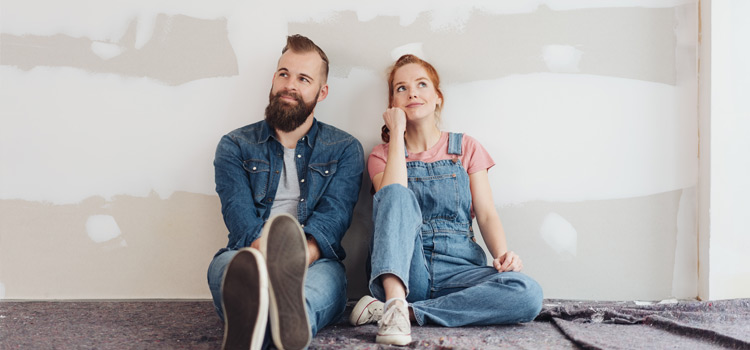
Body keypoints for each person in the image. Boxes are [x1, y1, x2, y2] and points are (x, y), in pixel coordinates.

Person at [349, 54, 543, 346]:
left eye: (421, 84)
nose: (412, 92)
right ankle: (396, 299)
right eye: (401, 88)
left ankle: (401, 313)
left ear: (438, 97)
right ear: (392, 104)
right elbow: (393, 198)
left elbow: (487, 214)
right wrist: (398, 134)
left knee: (528, 293)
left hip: (459, 270)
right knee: (396, 194)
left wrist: (502, 255)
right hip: (405, 271)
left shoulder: (466, 147)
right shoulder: (381, 155)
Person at [207, 34, 364, 350]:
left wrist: (293, 262)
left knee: (299, 308)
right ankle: (261, 312)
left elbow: (332, 222)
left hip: (315, 262)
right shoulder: (234, 145)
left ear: (322, 92)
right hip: (246, 258)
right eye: (284, 74)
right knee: (230, 273)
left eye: (303, 79)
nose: (289, 85)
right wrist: (269, 263)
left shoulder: (345, 149)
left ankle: (262, 323)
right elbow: (240, 219)